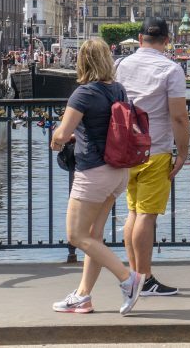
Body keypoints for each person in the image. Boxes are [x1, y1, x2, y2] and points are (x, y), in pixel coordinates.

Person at [49, 39, 144, 315]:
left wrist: (56, 140)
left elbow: (63, 133)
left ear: (82, 61)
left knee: (76, 235)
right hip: (118, 171)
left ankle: (128, 279)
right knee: (94, 236)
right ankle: (83, 296)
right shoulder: (118, 89)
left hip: (94, 172)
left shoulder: (84, 93)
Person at [115, 16, 189, 297]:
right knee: (146, 215)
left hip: (125, 150)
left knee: (132, 213)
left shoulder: (121, 65)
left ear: (140, 38)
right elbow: (179, 116)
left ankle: (134, 278)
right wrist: (183, 152)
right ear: (167, 40)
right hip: (155, 149)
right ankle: (145, 280)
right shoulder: (171, 69)